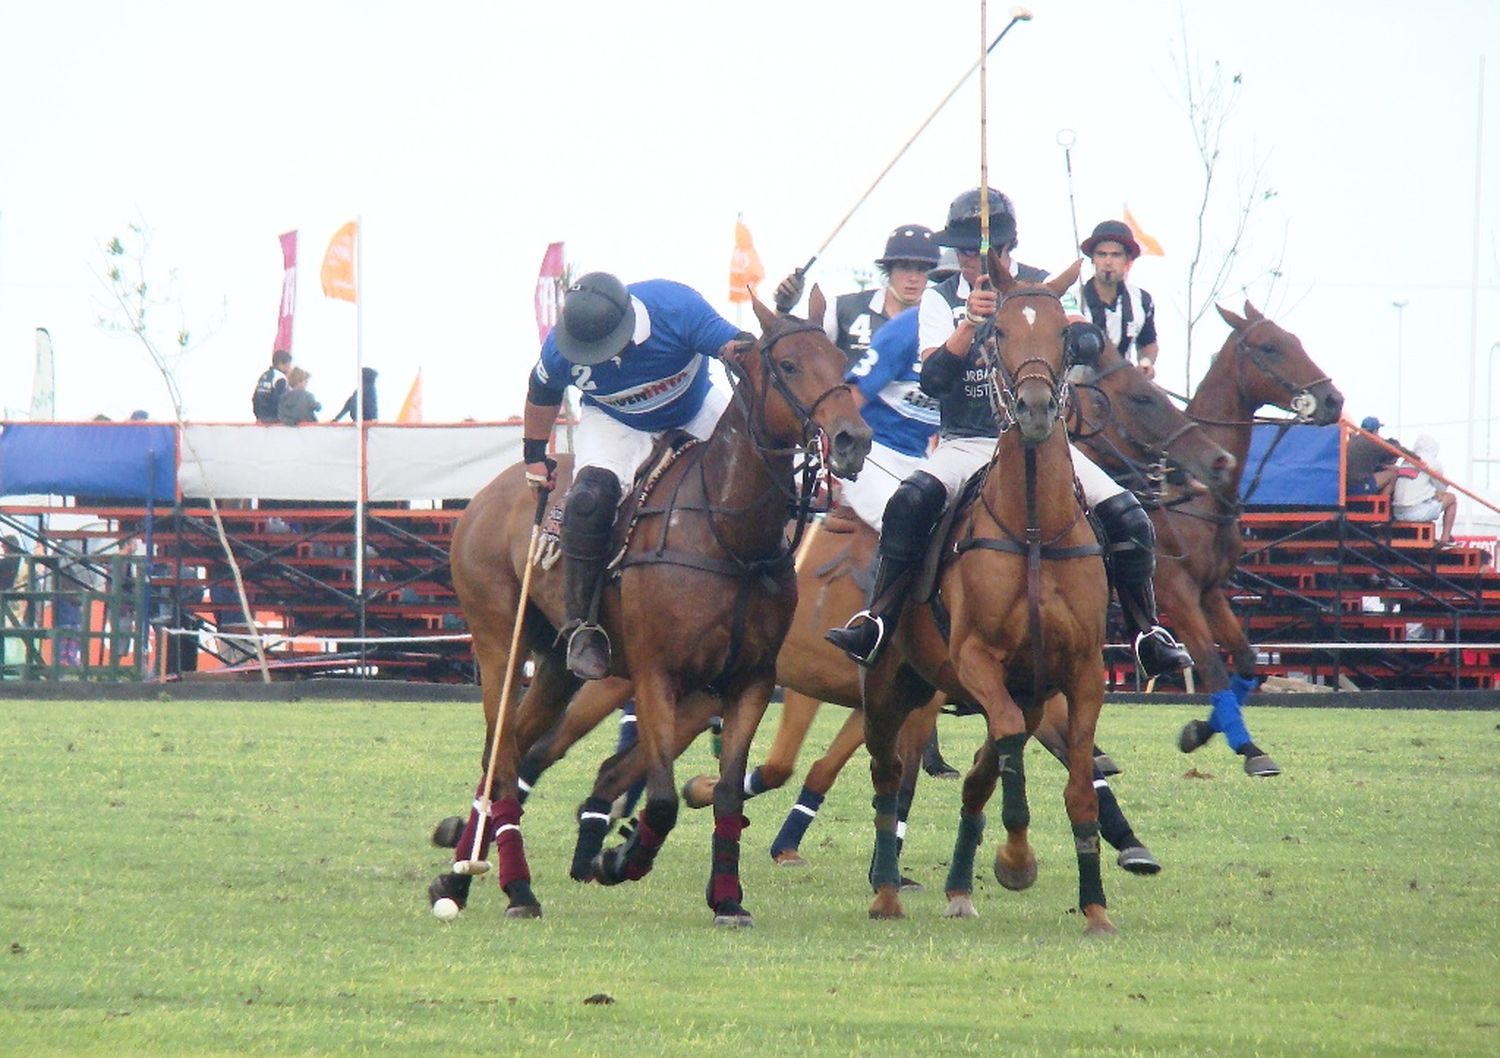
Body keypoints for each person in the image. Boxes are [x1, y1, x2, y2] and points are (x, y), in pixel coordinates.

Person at [826, 187, 1193, 680]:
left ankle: (1146, 632)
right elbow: (934, 381)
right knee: (909, 504)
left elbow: (1086, 340)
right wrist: (970, 325)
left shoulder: (1040, 287)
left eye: (984, 252)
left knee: (1129, 518)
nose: (972, 262)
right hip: (967, 442)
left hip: (1044, 442)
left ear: (1006, 248)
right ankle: (878, 621)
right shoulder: (939, 299)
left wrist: (1063, 326)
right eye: (962, 252)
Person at [522, 271, 747, 680]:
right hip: (615, 423)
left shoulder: (676, 307)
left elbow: (737, 347)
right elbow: (542, 393)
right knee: (588, 500)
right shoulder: (560, 348)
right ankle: (582, 628)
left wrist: (750, 346)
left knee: (751, 481)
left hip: (696, 410)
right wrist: (534, 455)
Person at [774, 224, 941, 367]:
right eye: (904, 267)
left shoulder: (940, 318)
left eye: (922, 269)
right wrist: (783, 309)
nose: (913, 278)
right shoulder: (843, 309)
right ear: (889, 270)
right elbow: (798, 356)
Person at [1076, 220, 1159, 379]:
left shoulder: (1142, 300)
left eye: (1116, 255)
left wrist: (1146, 363)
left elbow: (1148, 342)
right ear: (1093, 259)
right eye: (1101, 254)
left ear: (1128, 260)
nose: (1108, 262)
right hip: (1079, 390)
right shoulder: (1071, 299)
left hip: (1123, 388)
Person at [1392, 434, 1457, 545]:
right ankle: (1445, 538)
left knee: (1428, 499)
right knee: (1452, 499)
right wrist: (1436, 493)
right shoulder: (1432, 463)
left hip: (1397, 512)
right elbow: (1442, 488)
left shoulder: (1407, 461)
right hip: (1415, 512)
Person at [1346, 415, 1400, 497]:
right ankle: (1383, 506)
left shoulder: (1352, 441)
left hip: (1346, 486)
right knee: (1393, 474)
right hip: (1359, 486)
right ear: (1375, 431)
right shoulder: (1372, 442)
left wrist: (1383, 466)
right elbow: (1393, 451)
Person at [253, 349, 293, 423]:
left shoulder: (264, 375)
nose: (290, 368)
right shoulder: (280, 377)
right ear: (280, 364)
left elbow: (255, 397)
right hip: (273, 419)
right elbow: (280, 400)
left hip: (261, 417)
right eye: (288, 364)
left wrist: (258, 415)